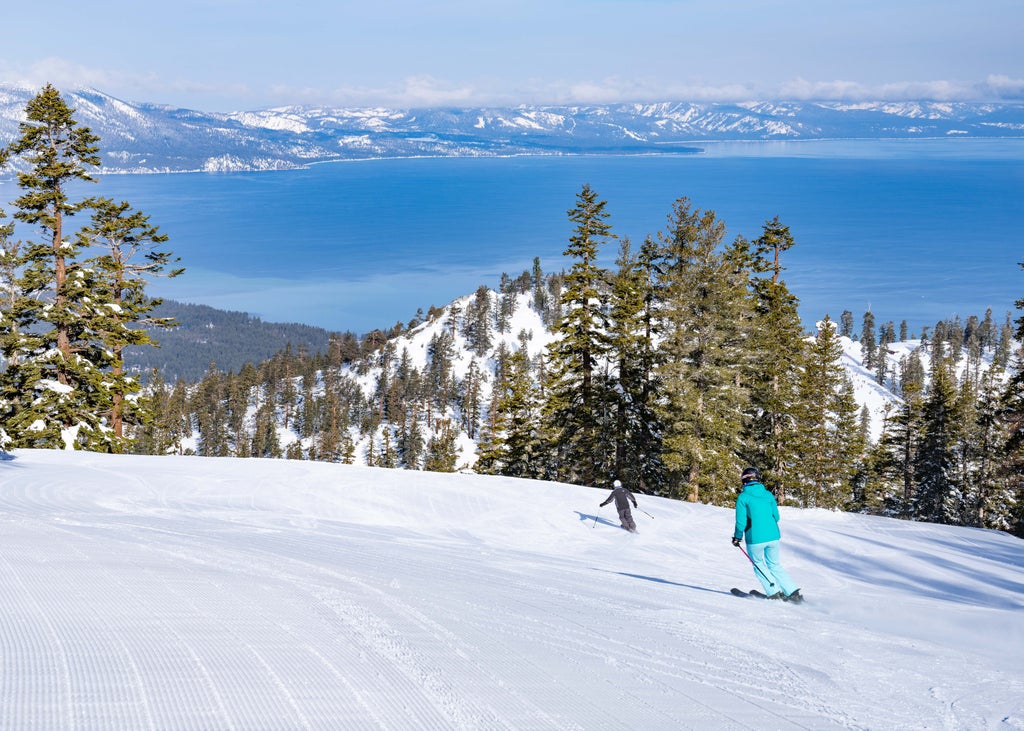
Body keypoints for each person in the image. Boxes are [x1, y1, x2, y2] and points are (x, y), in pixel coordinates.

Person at [731, 466, 804, 603]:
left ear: (744, 480)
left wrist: (737, 537)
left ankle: (773, 592)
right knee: (775, 564)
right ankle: (792, 591)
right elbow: (776, 516)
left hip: (755, 538)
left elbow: (741, 521)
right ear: (758, 478)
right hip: (773, 537)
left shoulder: (743, 497)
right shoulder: (768, 494)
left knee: (758, 563)